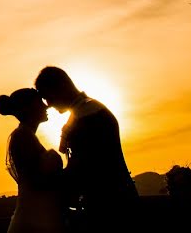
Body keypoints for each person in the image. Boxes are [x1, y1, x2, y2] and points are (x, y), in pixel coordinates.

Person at [34, 67, 137, 233]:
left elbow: (83, 167)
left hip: (109, 206)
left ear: (60, 87)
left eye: (48, 97)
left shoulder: (88, 116)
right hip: (112, 201)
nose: (49, 104)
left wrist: (47, 184)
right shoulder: (86, 111)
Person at [0, 88, 66, 233]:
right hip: (33, 221)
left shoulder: (26, 135)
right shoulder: (23, 136)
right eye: (40, 102)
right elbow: (37, 180)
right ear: (29, 108)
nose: (46, 106)